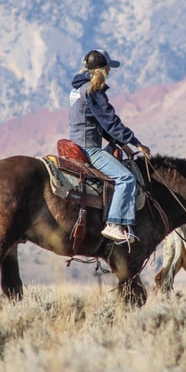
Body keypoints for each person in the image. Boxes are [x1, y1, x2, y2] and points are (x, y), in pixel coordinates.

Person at [69, 48, 152, 244]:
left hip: (75, 143)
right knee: (126, 178)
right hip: (89, 149)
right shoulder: (93, 90)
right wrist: (136, 142)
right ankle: (114, 223)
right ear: (103, 70)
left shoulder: (77, 89)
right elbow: (110, 121)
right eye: (108, 68)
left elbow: (96, 122)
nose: (109, 72)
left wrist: (121, 143)